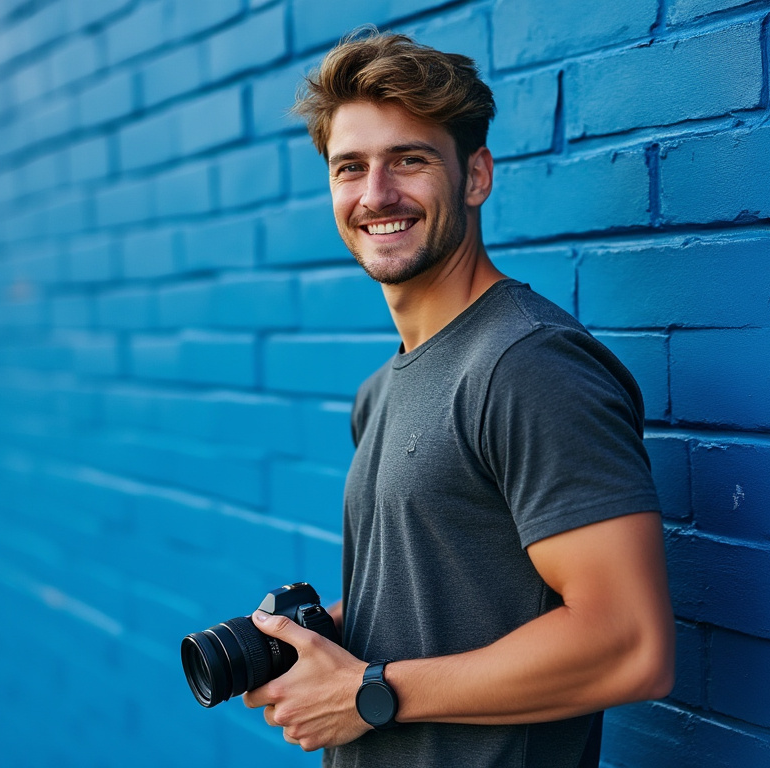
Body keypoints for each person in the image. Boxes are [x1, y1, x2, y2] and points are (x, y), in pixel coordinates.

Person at [241, 30, 675, 768]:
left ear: (476, 176)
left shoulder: (527, 364)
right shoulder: (382, 390)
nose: (376, 195)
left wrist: (371, 691)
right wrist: (325, 635)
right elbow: (457, 590)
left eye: (409, 160)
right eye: (351, 167)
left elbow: (629, 644)